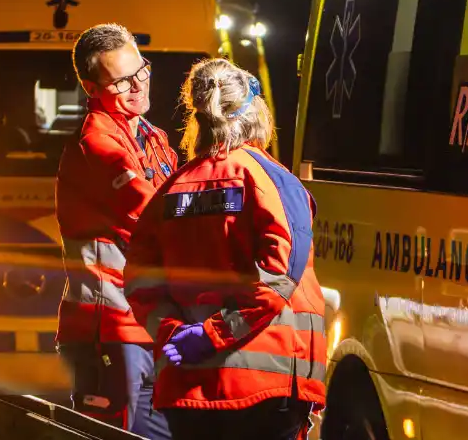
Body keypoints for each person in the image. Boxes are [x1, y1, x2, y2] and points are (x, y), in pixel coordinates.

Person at [125, 58, 327, 440]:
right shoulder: (271, 179)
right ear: (257, 116)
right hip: (267, 386)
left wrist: (173, 334)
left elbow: (139, 280)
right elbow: (280, 274)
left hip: (188, 387)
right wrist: (215, 333)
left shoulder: (173, 188)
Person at [55, 23, 177, 439]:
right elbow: (151, 213)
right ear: (91, 88)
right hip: (109, 326)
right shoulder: (96, 143)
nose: (138, 85)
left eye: (141, 70)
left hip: (151, 325)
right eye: (122, 81)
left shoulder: (154, 137)